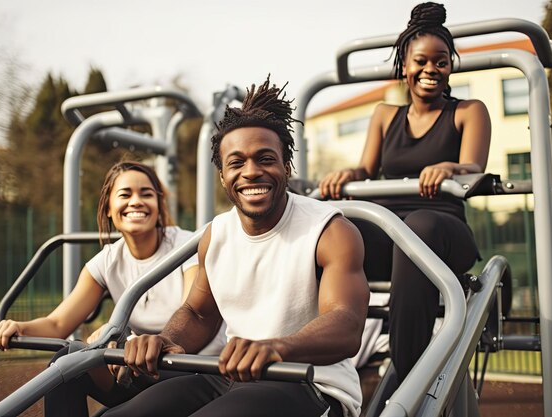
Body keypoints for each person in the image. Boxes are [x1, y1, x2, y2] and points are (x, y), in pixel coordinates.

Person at [101, 77, 370, 417]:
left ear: (286, 166)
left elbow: (346, 323)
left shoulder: (330, 230)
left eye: (265, 159)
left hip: (311, 384)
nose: (252, 172)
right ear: (223, 176)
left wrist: (277, 347)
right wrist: (168, 339)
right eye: (237, 163)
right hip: (231, 377)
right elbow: (198, 313)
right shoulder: (216, 234)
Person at [319, 1, 491, 384]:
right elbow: (365, 170)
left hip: (442, 233)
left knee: (418, 226)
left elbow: (474, 167)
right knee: (327, 223)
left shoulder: (468, 111)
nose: (431, 69)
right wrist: (347, 174)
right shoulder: (384, 114)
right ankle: (304, 351)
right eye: (421, 61)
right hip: (390, 234)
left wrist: (450, 167)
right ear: (405, 65)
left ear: (450, 66)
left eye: (441, 61)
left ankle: (408, 375)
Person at [0, 160, 225, 416]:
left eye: (146, 194)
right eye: (125, 194)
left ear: (159, 204)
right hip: (138, 370)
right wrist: (18, 327)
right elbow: (57, 324)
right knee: (68, 361)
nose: (136, 202)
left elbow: (191, 315)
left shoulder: (186, 246)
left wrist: (123, 340)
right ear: (108, 208)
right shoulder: (108, 260)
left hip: (190, 367)